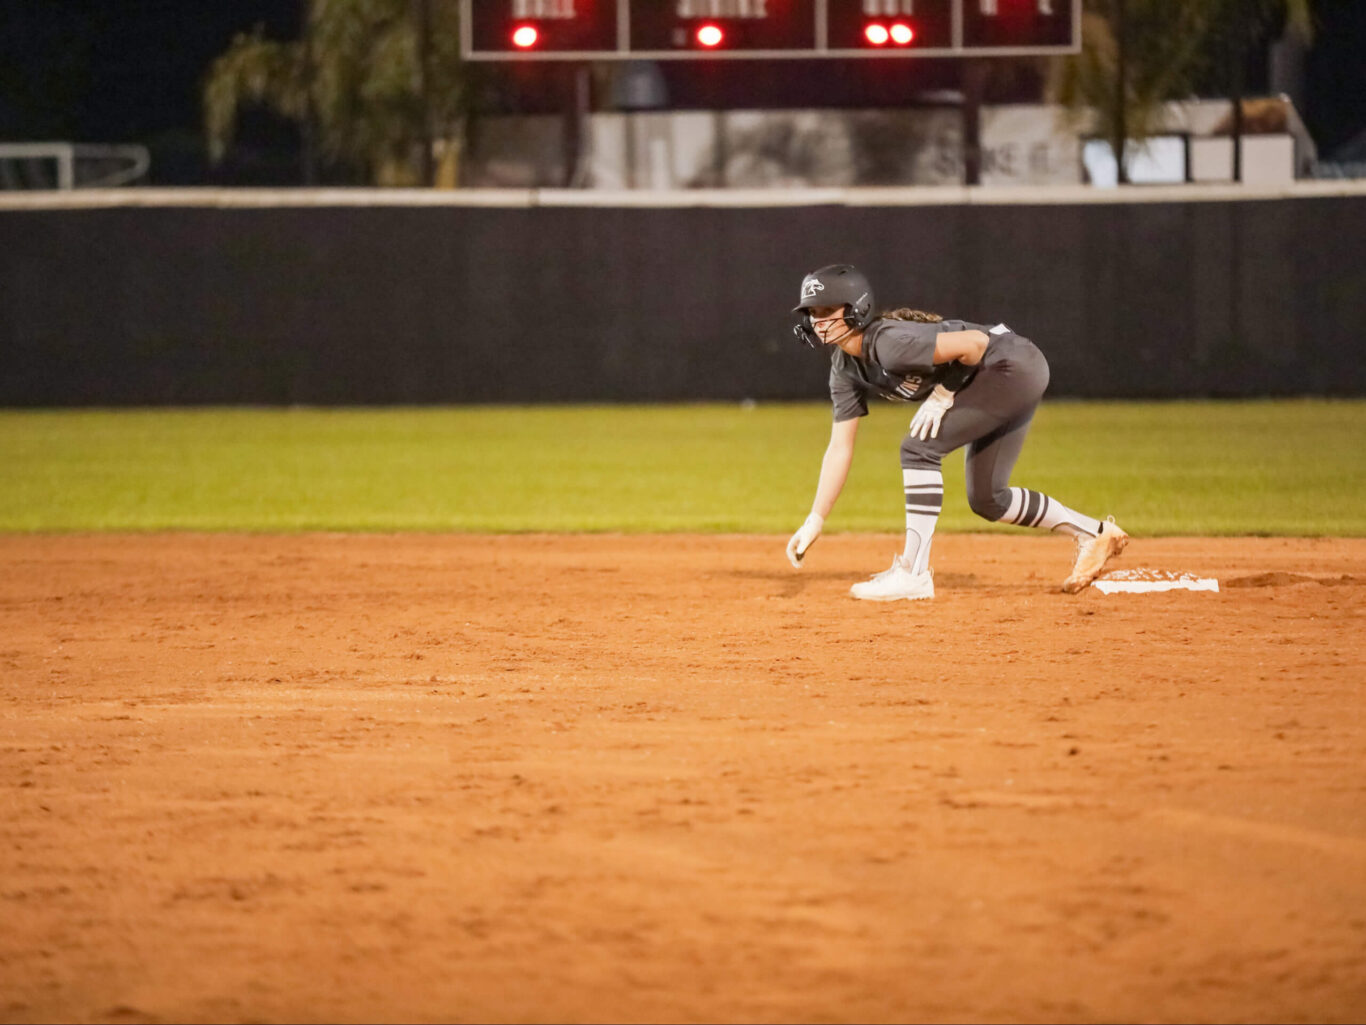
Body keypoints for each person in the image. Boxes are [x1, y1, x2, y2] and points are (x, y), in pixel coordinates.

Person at [784, 263, 1128, 600]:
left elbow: (976, 344)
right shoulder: (844, 370)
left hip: (1010, 365)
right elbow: (840, 447)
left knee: (918, 448)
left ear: (857, 309)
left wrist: (944, 393)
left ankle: (913, 573)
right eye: (812, 312)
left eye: (828, 309)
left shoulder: (888, 343)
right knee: (989, 499)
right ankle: (1094, 534)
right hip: (1002, 373)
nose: (818, 321)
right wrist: (816, 519)